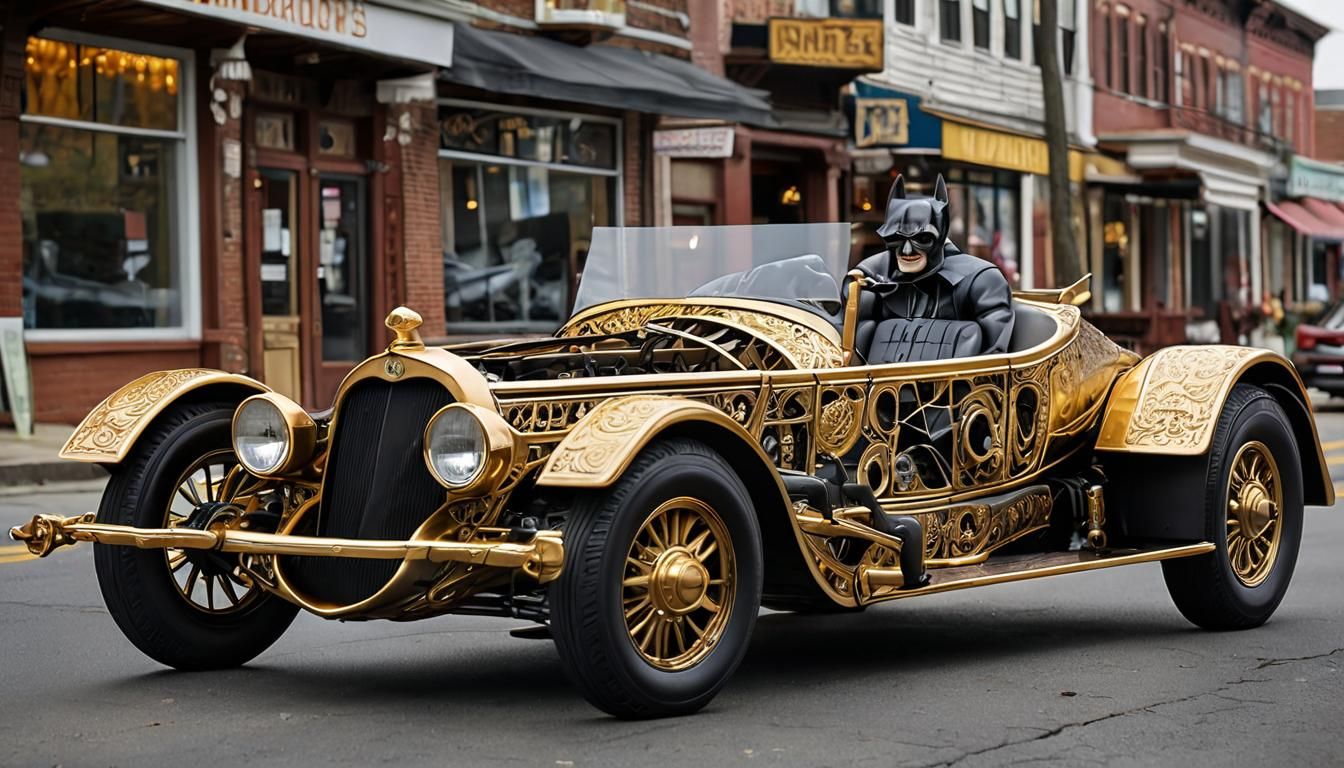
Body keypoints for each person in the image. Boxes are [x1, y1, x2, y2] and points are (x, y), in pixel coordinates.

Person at [854, 174, 1014, 358]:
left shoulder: (981, 280)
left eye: (922, 239)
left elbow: (993, 357)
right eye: (896, 239)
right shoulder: (875, 277)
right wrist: (859, 275)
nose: (906, 250)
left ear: (940, 237)